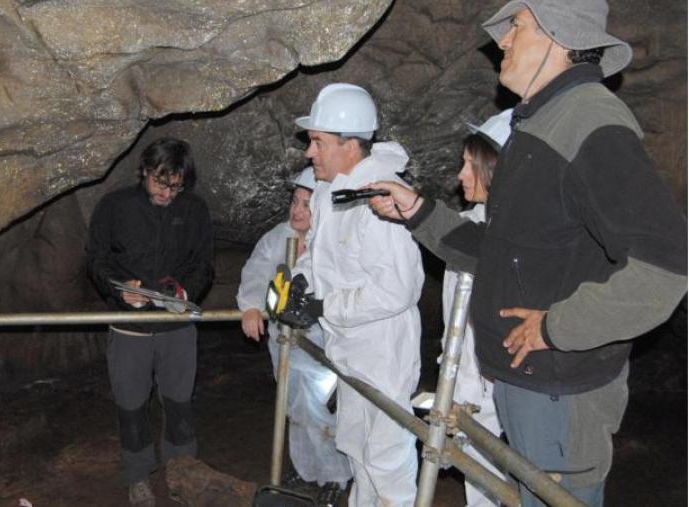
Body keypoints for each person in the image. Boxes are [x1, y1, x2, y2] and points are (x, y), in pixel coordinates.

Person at [368, 2, 687, 505]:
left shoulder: (589, 122)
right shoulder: (541, 124)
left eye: (516, 26)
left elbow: (665, 265)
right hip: (531, 382)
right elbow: (504, 252)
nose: (502, 41)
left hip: (560, 388)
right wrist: (419, 212)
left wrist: (557, 326)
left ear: (558, 36)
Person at [282, 83, 425, 506]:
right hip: (347, 347)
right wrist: (301, 283)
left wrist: (324, 306)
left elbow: (397, 289)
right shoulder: (331, 192)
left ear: (349, 145)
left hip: (381, 351)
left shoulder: (380, 199)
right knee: (357, 451)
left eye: (318, 142)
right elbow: (319, 256)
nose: (309, 152)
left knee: (385, 460)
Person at [87, 137, 214, 507]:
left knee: (179, 403)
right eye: (161, 183)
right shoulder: (115, 207)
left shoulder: (194, 209)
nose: (167, 193)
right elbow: (96, 258)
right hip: (130, 326)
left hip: (177, 326)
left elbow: (204, 263)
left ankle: (182, 471)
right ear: (144, 170)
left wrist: (186, 292)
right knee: (131, 406)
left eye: (176, 186)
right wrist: (119, 289)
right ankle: (138, 475)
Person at [236, 167, 352, 505]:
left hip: (320, 338)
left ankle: (336, 474)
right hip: (283, 336)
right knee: (294, 406)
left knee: (315, 407)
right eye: (295, 202)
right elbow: (257, 271)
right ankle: (307, 470)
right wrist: (251, 305)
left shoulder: (333, 241)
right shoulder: (278, 236)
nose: (297, 210)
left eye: (306, 205)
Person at [442, 108, 512, 507]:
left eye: (470, 165)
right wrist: (453, 377)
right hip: (471, 382)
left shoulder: (521, 237)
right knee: (480, 481)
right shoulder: (465, 226)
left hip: (506, 387)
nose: (460, 175)